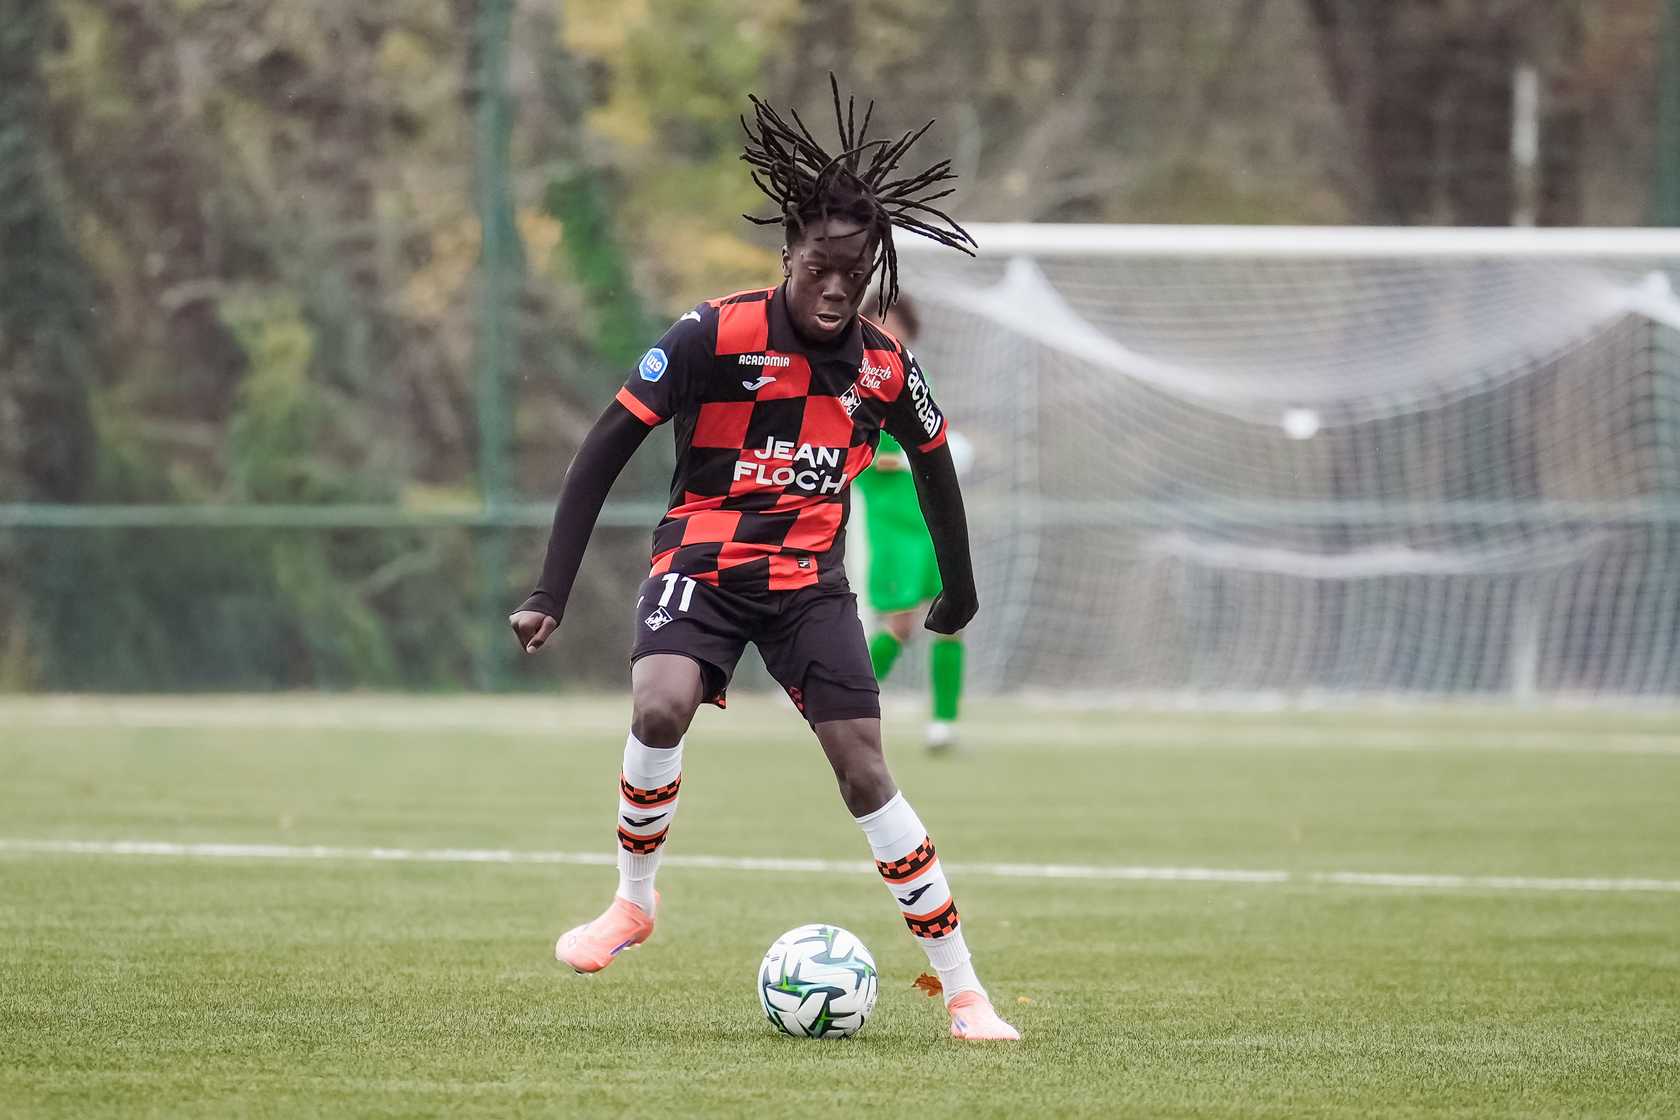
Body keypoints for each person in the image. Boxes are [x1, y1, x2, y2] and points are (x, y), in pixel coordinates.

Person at [507, 78, 1020, 1042]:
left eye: (854, 273)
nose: (836, 289)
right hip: (700, 564)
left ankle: (964, 993)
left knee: (865, 772)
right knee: (659, 706)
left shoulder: (882, 365)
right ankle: (632, 902)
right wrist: (550, 590)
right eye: (820, 267)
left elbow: (936, 468)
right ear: (788, 254)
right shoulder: (712, 334)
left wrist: (959, 590)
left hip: (806, 588)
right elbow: (602, 449)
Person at [852, 292, 967, 752]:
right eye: (879, 321)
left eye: (895, 322)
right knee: (899, 623)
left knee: (952, 619)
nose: (888, 330)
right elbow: (861, 454)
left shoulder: (917, 378)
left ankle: (944, 723)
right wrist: (907, 460)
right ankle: (840, 704)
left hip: (931, 522)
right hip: (893, 527)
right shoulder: (853, 381)